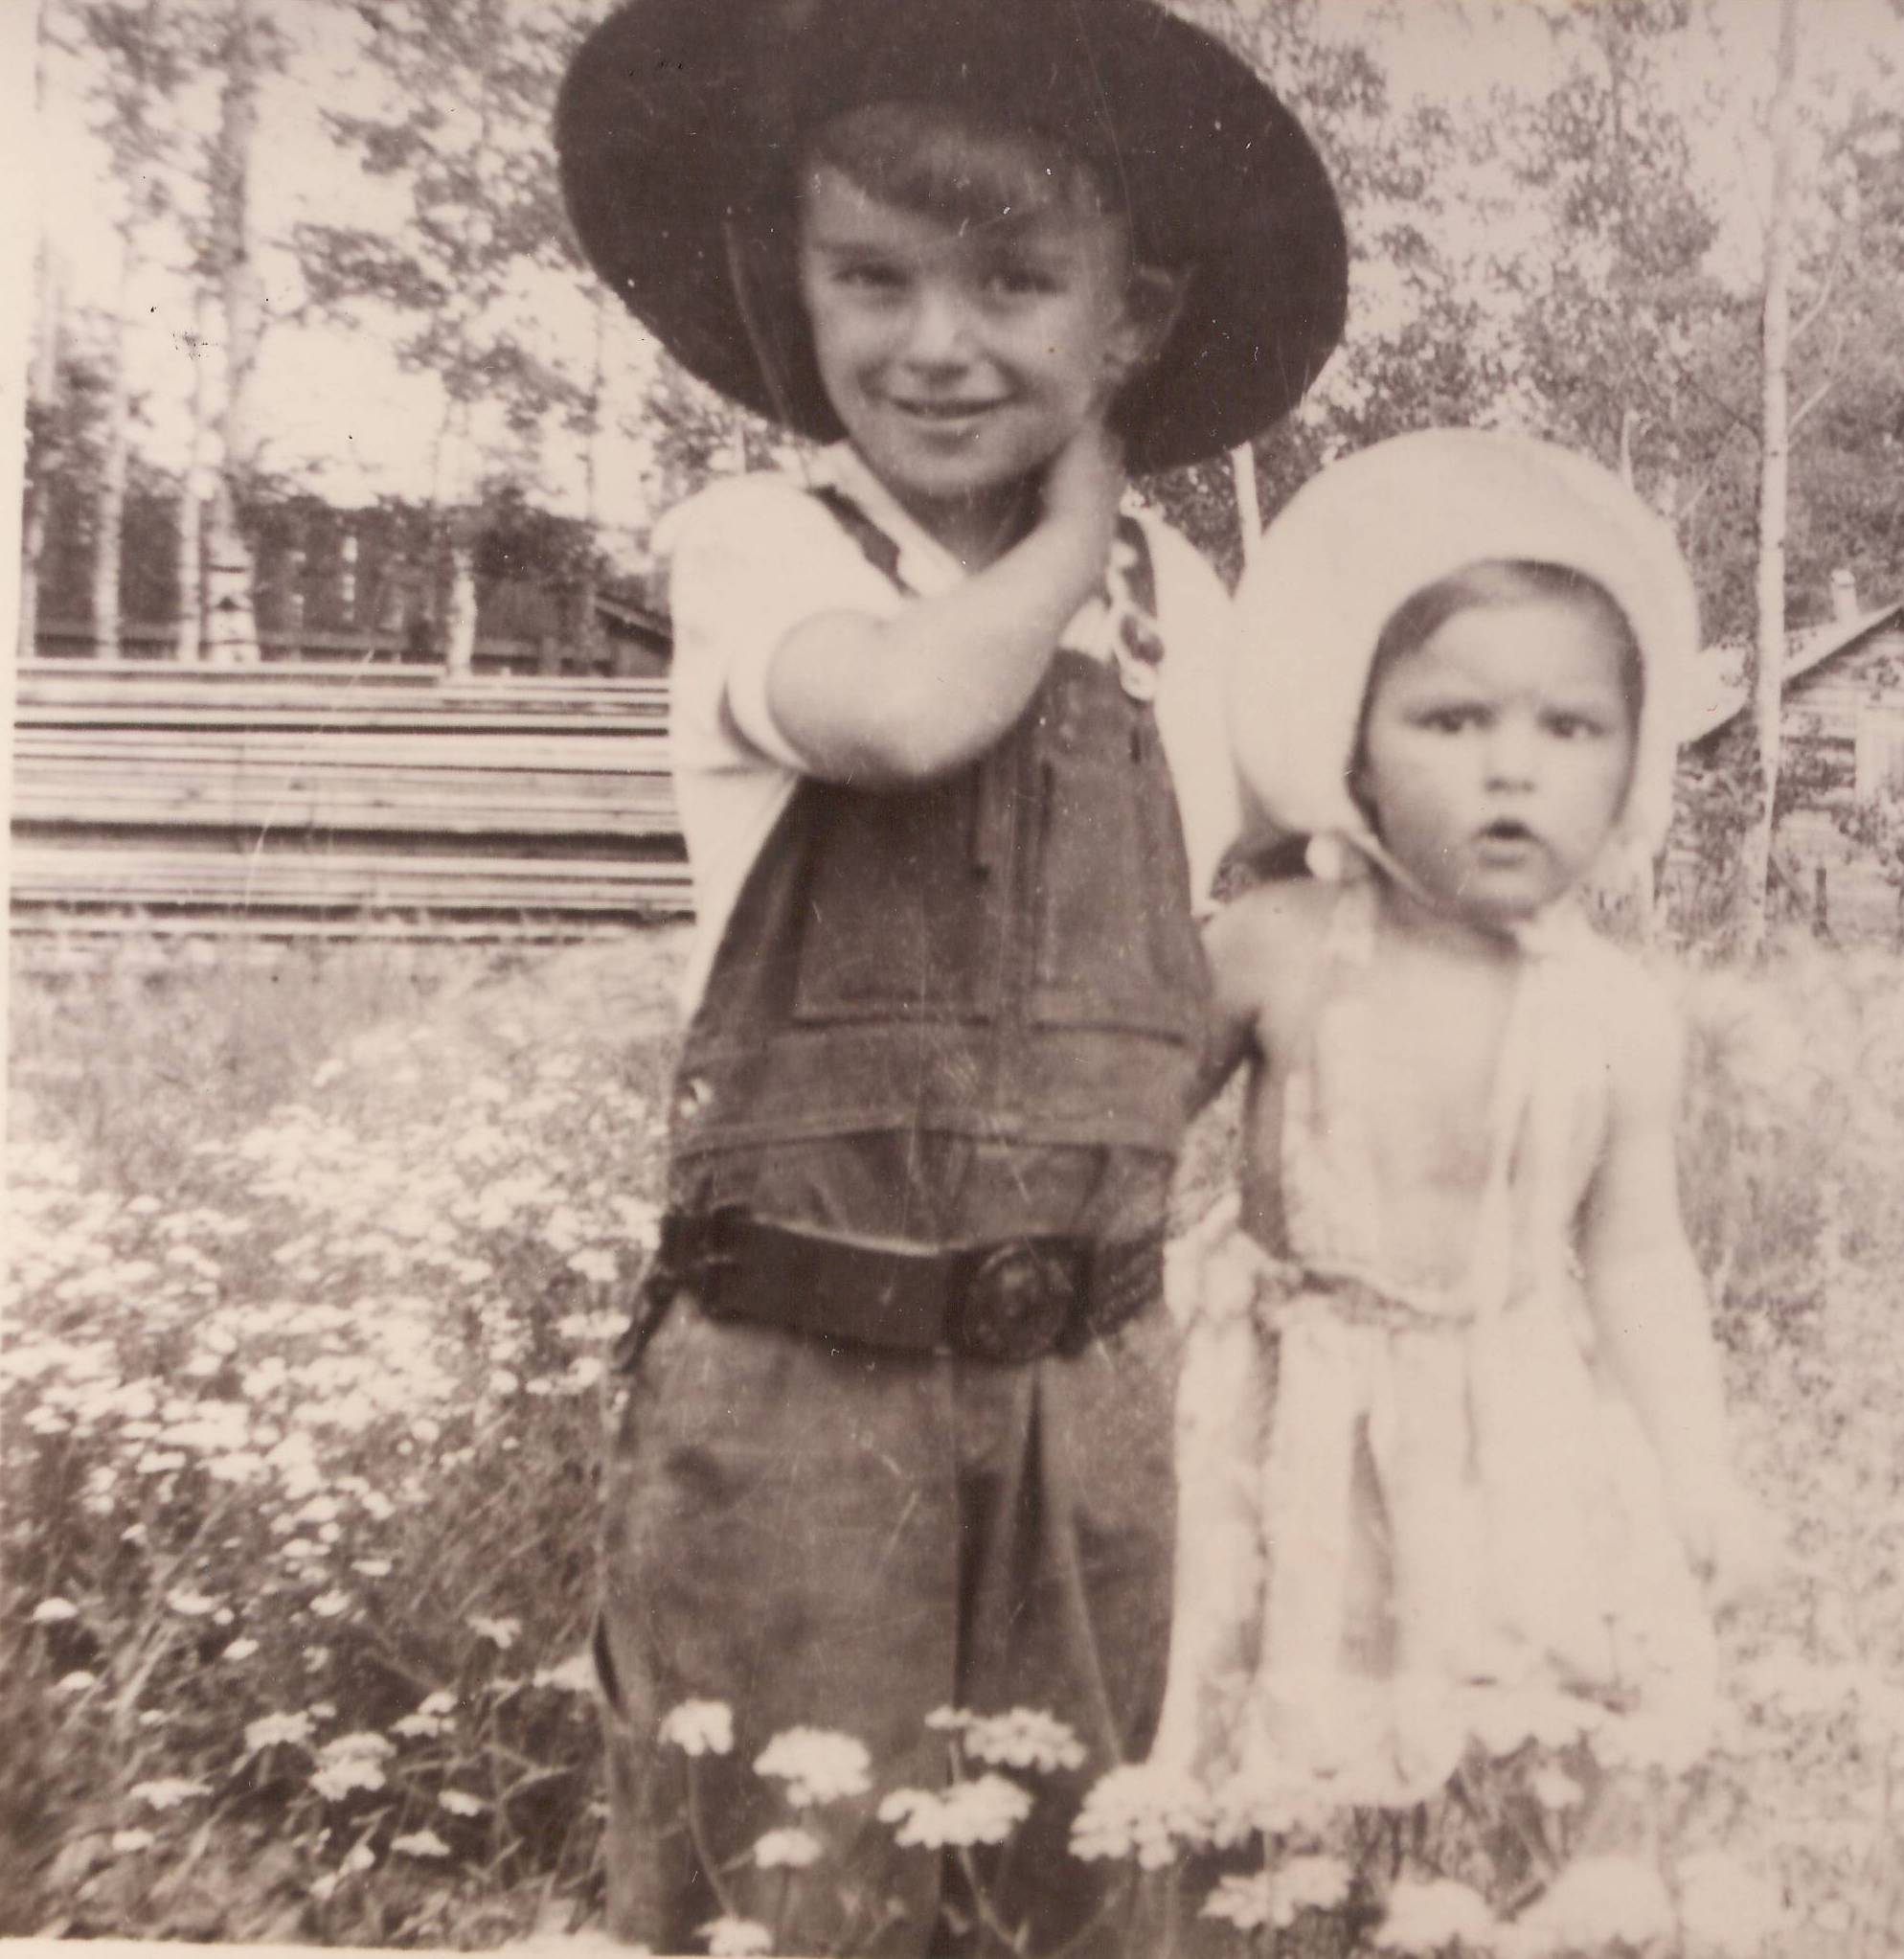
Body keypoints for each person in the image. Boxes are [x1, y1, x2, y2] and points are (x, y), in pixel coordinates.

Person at [550, 0, 1346, 1949]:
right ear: (791, 287)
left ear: (1131, 318)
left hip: (1092, 1395)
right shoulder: (762, 545)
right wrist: (1085, 518)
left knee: (1085, 1892)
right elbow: (907, 715)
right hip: (800, 1398)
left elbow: (1194, 963)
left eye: (1014, 280)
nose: (935, 340)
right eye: (872, 277)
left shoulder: (1195, 614)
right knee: (789, 1892)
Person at [1127, 431, 1777, 1834]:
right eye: (1450, 720)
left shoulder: (1615, 1013)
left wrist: (1697, 1468)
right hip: (1290, 1413)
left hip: (1511, 1415)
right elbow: (1118, 1138)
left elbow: (1642, 1260)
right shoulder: (1278, 947)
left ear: (1627, 766)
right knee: (1270, 1748)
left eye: (1568, 728)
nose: (1511, 772)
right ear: (1352, 745)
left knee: (1516, 1740)